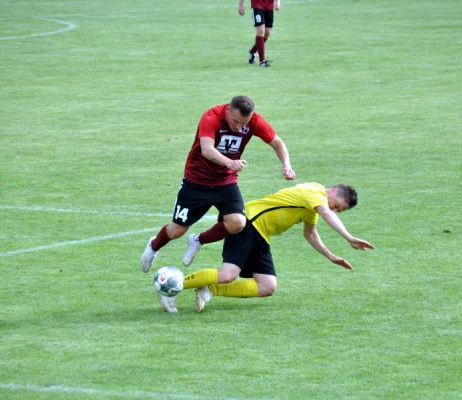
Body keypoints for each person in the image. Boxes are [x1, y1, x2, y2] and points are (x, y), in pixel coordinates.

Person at [159, 182, 375, 313]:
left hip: (262, 235)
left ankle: (209, 289)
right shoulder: (314, 192)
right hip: (250, 223)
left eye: (339, 210)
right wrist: (349, 237)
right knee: (227, 274)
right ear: (334, 190)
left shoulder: (313, 206)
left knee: (267, 286)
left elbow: (310, 234)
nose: (333, 210)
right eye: (336, 205)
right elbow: (326, 213)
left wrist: (331, 256)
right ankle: (172, 288)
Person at [141, 95, 295, 273]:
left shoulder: (255, 121)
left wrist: (286, 165)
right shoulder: (211, 117)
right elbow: (207, 150)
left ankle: (198, 240)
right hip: (196, 181)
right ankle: (153, 245)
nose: (238, 127)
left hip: (225, 181)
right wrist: (229, 162)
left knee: (238, 222)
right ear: (228, 109)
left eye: (243, 124)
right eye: (235, 121)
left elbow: (277, 142)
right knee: (176, 230)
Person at [238, 0, 281, 67]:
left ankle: (253, 51)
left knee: (267, 34)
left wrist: (278, 1)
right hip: (257, 5)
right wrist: (241, 5)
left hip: (269, 6)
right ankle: (262, 61)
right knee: (261, 30)